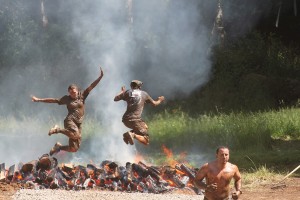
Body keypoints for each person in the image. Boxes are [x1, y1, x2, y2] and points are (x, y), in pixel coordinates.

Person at [31, 67, 104, 156]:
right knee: (75, 135)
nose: (73, 94)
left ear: (77, 91)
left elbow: (91, 86)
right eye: (71, 93)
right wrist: (39, 99)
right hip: (70, 121)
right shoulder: (66, 99)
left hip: (78, 123)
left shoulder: (82, 95)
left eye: (74, 92)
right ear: (69, 93)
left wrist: (100, 78)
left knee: (74, 149)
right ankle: (57, 129)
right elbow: (54, 100)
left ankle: (58, 147)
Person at [114, 80, 165, 146]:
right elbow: (155, 104)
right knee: (146, 140)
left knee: (145, 127)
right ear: (139, 87)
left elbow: (115, 99)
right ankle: (132, 135)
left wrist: (122, 91)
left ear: (131, 86)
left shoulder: (127, 92)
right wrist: (160, 100)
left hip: (125, 120)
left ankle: (128, 135)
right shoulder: (144, 94)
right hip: (135, 120)